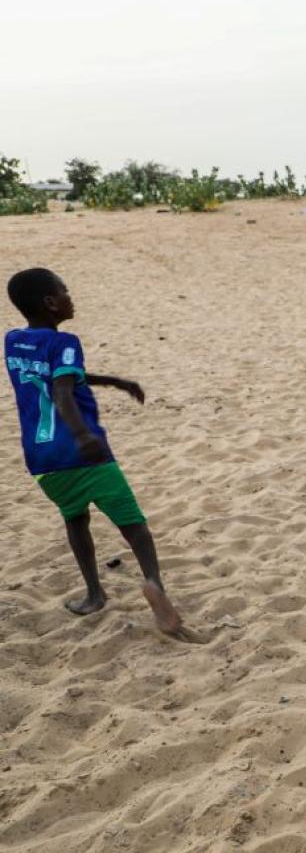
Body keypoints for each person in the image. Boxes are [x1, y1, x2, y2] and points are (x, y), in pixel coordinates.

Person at [4, 268, 187, 637]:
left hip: (41, 460)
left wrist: (115, 382)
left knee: (75, 518)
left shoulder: (13, 341)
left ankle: (93, 593)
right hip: (83, 452)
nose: (71, 295)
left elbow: (59, 377)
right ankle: (154, 583)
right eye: (65, 290)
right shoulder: (66, 341)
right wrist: (83, 434)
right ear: (51, 303)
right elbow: (62, 391)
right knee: (133, 525)